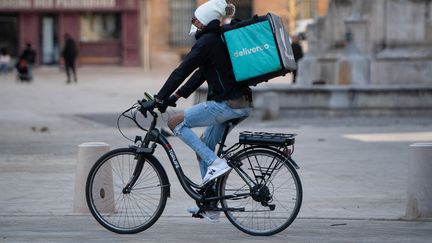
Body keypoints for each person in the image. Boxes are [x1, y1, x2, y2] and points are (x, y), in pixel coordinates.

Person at [146, 0, 251, 222]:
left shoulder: (207, 41)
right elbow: (200, 74)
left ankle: (216, 163)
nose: (192, 22)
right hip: (240, 103)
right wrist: (174, 96)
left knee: (175, 123)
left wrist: (158, 98)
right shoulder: (217, 39)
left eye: (195, 19)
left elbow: (182, 70)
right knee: (203, 146)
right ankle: (210, 204)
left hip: (226, 104)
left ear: (203, 20)